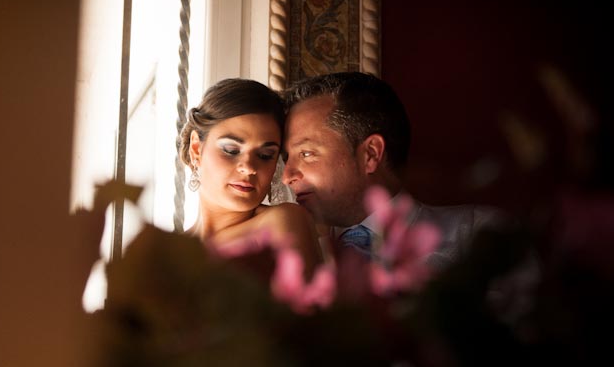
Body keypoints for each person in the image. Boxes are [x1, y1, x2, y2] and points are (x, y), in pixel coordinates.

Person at [280, 71, 499, 269]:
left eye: (306, 154)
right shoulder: (287, 259)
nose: (286, 177)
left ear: (371, 154)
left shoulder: (480, 236)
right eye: (286, 157)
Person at [179, 78, 321, 274]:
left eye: (265, 156)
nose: (249, 167)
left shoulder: (279, 224)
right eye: (231, 150)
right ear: (196, 148)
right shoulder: (168, 253)